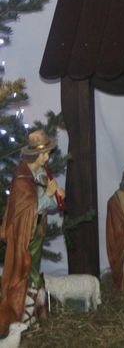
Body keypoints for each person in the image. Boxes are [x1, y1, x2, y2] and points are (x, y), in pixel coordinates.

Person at [0, 130, 63, 335]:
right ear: (36, 155)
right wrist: (47, 194)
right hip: (24, 235)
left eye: (48, 153)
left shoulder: (40, 173)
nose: (48, 157)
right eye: (45, 153)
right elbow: (29, 208)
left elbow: (46, 206)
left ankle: (32, 315)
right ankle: (23, 316)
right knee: (26, 273)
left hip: (36, 231)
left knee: (32, 271)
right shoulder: (21, 179)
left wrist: (56, 197)